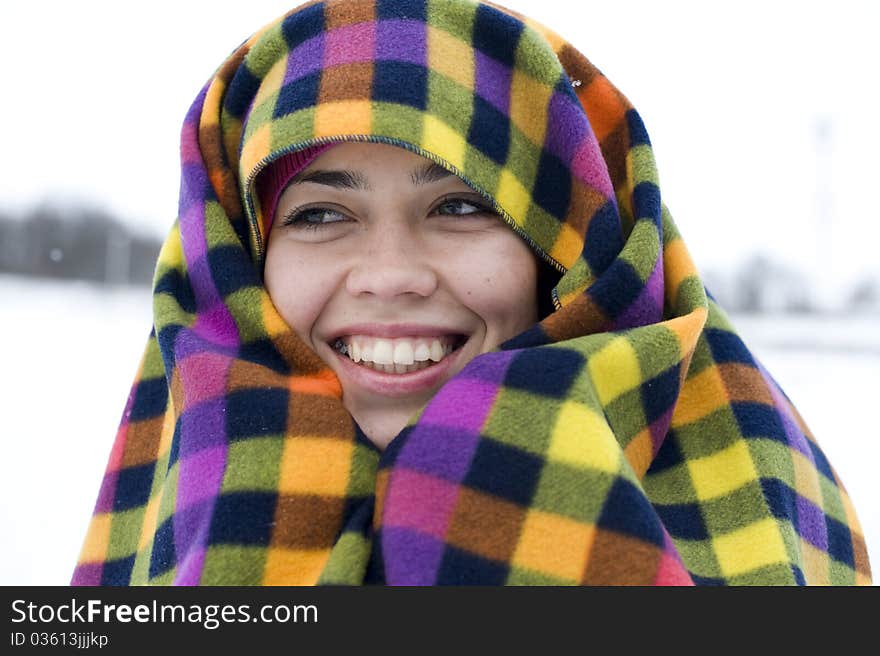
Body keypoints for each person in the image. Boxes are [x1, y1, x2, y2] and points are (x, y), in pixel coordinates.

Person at [72, 0, 870, 585]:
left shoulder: (762, 521)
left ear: (562, 253)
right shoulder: (171, 520)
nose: (390, 275)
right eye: (319, 214)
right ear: (243, 262)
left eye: (460, 207)